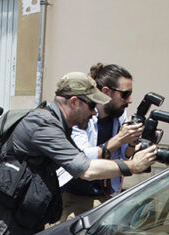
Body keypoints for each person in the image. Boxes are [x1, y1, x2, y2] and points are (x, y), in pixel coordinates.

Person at [0, 72, 158, 235]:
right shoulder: (43, 124)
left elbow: (85, 158)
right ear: (74, 102)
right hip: (6, 215)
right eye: (92, 105)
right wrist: (132, 166)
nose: (94, 112)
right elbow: (85, 169)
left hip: (24, 210)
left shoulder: (59, 125)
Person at [56, 63, 143, 223]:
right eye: (125, 94)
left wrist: (131, 142)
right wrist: (119, 139)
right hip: (73, 194)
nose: (129, 100)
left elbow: (125, 154)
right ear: (106, 92)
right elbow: (84, 158)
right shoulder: (82, 115)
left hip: (106, 194)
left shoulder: (119, 114)